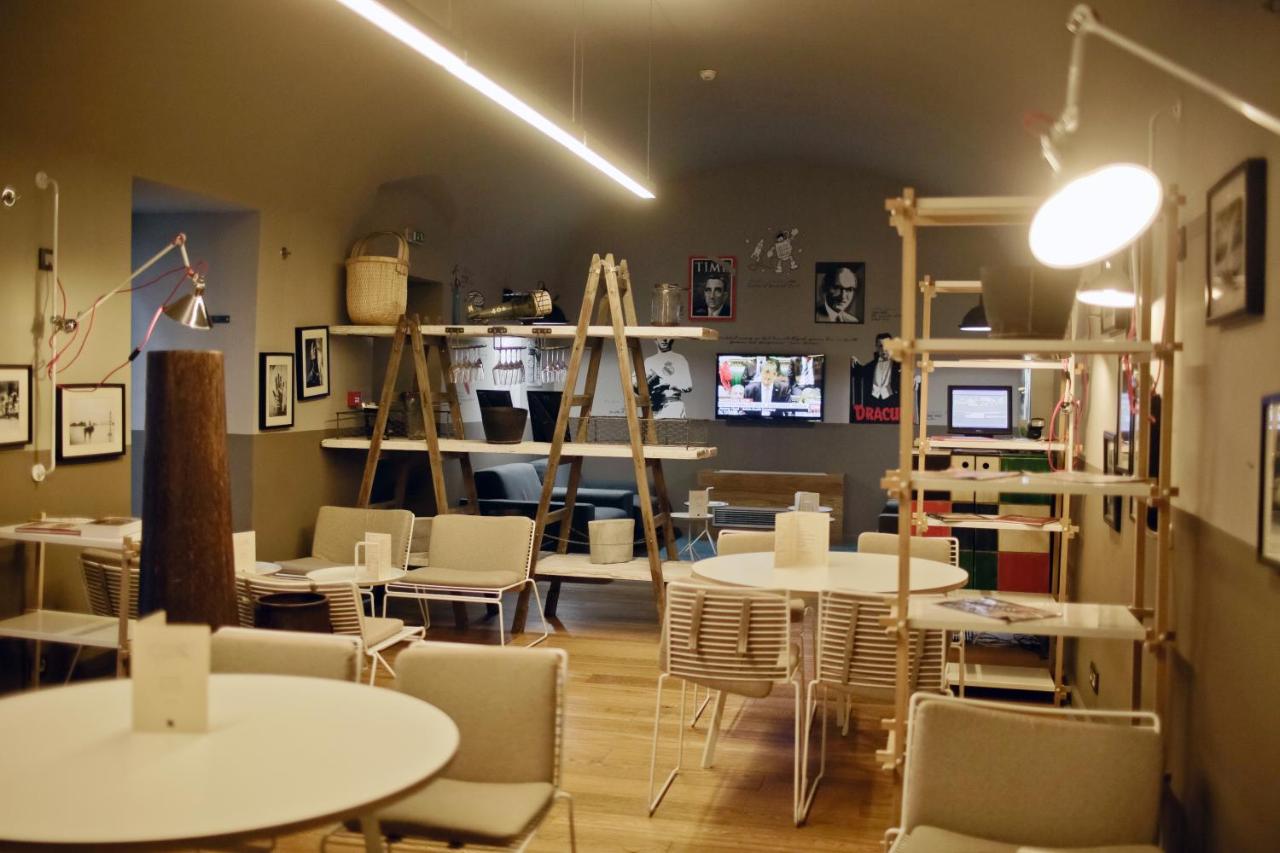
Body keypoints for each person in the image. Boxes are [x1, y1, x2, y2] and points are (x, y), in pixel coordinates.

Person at [850, 332, 900, 422]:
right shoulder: (871, 366)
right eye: (880, 346)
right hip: (873, 404)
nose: (884, 349)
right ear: (876, 347)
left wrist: (917, 377)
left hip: (892, 404)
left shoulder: (900, 366)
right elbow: (860, 372)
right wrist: (854, 361)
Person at [644, 338, 693, 419]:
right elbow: (640, 386)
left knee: (673, 427)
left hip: (674, 406)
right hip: (654, 407)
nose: (664, 340)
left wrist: (668, 384)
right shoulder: (649, 361)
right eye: (661, 337)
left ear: (672, 339)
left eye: (667, 337)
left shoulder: (680, 359)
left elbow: (688, 386)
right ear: (655, 339)